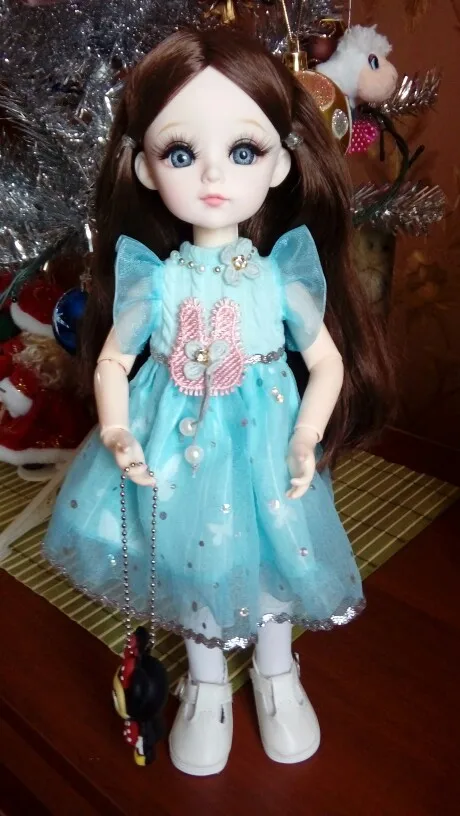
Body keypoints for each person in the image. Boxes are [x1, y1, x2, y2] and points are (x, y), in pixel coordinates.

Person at [43, 28, 392, 776]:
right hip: (174, 442)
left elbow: (325, 363)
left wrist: (305, 435)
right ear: (145, 167)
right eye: (180, 153)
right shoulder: (158, 279)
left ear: (280, 164)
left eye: (242, 151)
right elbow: (113, 360)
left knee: (273, 552)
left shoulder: (278, 277)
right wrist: (116, 428)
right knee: (189, 556)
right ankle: (206, 686)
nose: (210, 175)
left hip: (265, 443)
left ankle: (276, 670)